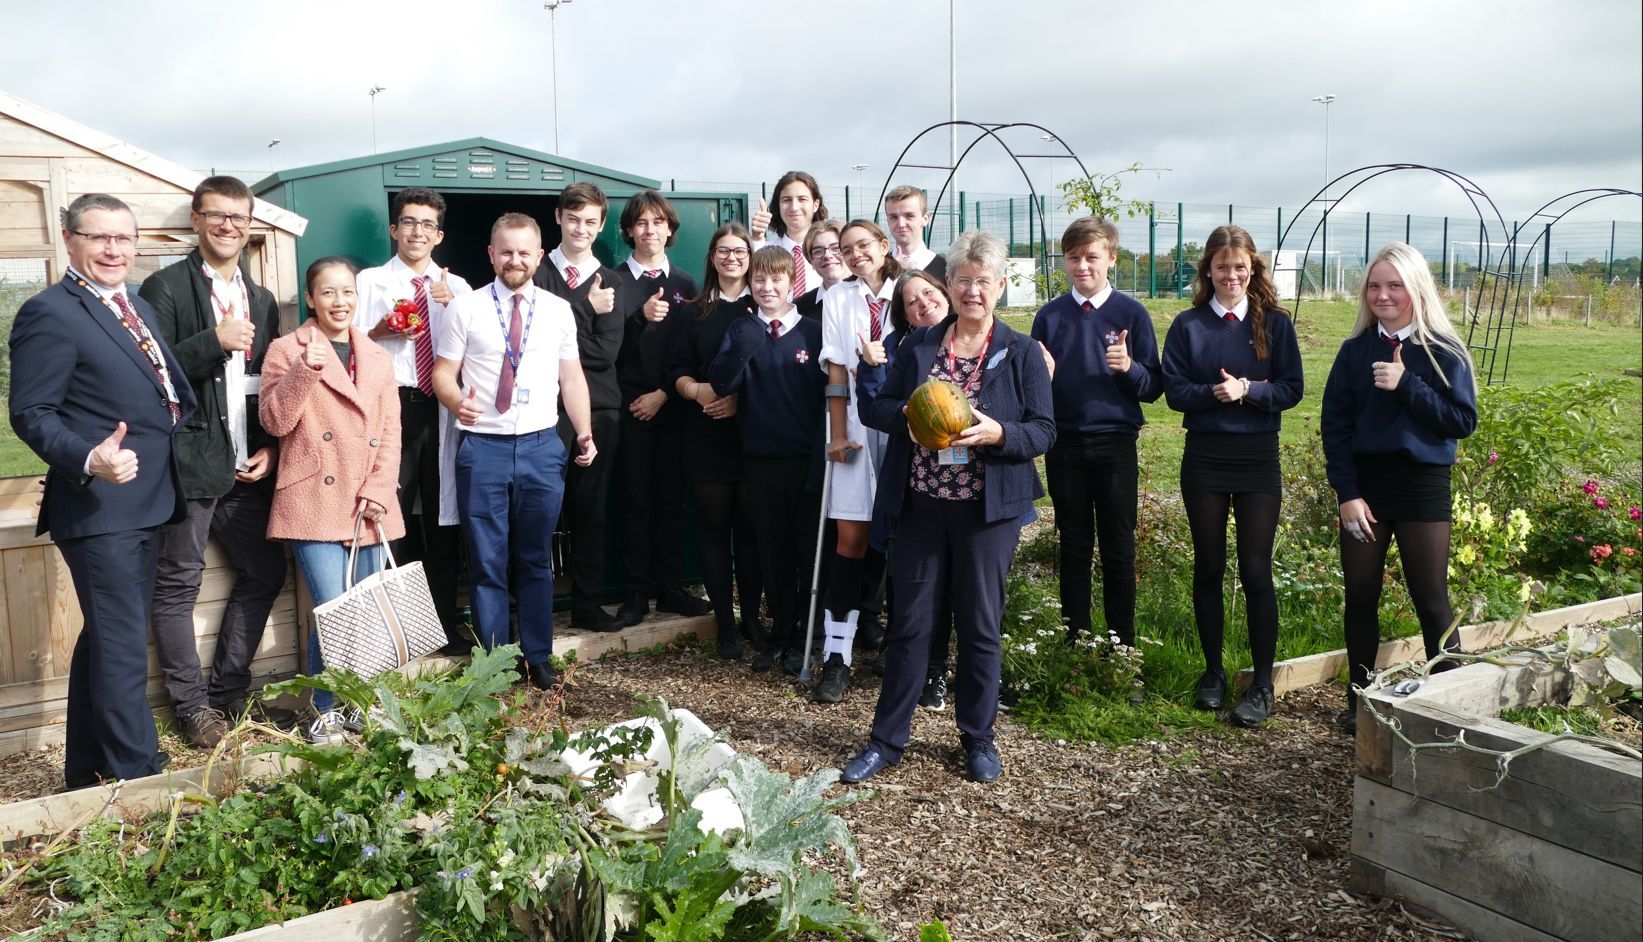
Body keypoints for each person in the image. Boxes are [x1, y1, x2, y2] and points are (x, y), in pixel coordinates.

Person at [841, 230, 1056, 785]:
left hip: (988, 515)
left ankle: (978, 739)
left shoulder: (1023, 351)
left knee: (981, 627)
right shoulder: (918, 346)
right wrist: (913, 421)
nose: (973, 290)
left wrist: (997, 432)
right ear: (950, 285)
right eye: (963, 280)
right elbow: (880, 407)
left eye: (984, 281)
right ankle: (885, 741)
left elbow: (1044, 430)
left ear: (1001, 287)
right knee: (909, 627)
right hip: (921, 508)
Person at [9, 193, 194, 788]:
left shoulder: (132, 304)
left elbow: (164, 391)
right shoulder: (51, 312)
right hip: (99, 506)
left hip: (148, 501)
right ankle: (140, 782)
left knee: (105, 639)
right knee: (119, 646)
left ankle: (87, 773)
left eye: (124, 238)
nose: (114, 249)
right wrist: (88, 457)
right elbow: (30, 412)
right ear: (71, 241)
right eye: (99, 237)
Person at [140, 176, 288, 747]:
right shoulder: (166, 288)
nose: (228, 225)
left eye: (238, 217)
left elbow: (268, 386)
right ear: (196, 221)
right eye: (216, 215)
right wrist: (214, 339)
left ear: (249, 227)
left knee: (266, 571)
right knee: (178, 584)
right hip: (189, 465)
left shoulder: (264, 299)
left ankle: (230, 690)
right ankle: (191, 707)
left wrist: (272, 447)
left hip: (246, 467)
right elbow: (151, 375)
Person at [434, 213, 596, 690]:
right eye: (506, 251)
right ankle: (494, 664)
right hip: (482, 447)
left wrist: (583, 432)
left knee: (533, 558)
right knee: (486, 562)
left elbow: (572, 377)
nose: (515, 260)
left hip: (542, 447)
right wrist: (453, 399)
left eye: (524, 252)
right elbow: (444, 371)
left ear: (539, 255)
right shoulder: (465, 308)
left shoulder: (557, 309)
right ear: (491, 254)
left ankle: (538, 656)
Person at [1322, 243, 1477, 734]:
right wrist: (1347, 493)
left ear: (1416, 289)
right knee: (1361, 594)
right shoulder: (1354, 352)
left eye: (1394, 286)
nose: (1383, 295)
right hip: (1366, 488)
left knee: (1430, 596)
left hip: (1421, 486)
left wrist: (1408, 384)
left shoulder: (1444, 350)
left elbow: (1461, 420)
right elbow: (1335, 427)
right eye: (1374, 286)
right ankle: (1360, 701)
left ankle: (1449, 704)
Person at [1161, 225, 1304, 729]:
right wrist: (1214, 395)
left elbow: (1293, 389)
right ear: (1207, 271)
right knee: (1208, 567)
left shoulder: (1276, 325)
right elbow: (1173, 391)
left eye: (1240, 266)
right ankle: (1213, 673)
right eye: (1221, 267)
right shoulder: (1188, 325)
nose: (1231, 275)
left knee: (1255, 569)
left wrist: (1249, 390)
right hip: (1205, 457)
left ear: (1252, 269)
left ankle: (1262, 682)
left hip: (1257, 459)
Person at [260, 257, 404, 743]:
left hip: (367, 502)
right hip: (313, 500)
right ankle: (328, 708)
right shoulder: (287, 349)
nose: (339, 302)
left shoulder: (378, 356)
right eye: (328, 293)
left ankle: (350, 705)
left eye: (347, 292)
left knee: (358, 610)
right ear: (310, 298)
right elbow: (275, 422)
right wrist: (303, 371)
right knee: (335, 608)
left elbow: (390, 430)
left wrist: (381, 489)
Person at [1030, 217, 1162, 700]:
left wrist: (1129, 369)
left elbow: (1154, 387)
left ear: (1111, 258)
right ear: (1063, 261)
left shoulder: (1131, 313)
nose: (1082, 265)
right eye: (1073, 257)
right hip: (1065, 444)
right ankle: (1075, 646)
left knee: (1119, 549)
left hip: (1115, 446)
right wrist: (1040, 376)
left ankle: (1123, 653)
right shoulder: (1050, 316)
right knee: (1074, 547)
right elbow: (1034, 387)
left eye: (1092, 256)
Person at [354, 186, 473, 654]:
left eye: (426, 224)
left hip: (442, 409)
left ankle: (444, 626)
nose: (416, 231)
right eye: (408, 222)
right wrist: (382, 330)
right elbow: (347, 343)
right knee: (389, 515)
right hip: (392, 407)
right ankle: (394, 634)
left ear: (438, 234)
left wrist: (449, 306)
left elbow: (471, 352)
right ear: (393, 229)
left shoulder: (458, 288)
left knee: (443, 522)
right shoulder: (368, 282)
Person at [709, 245, 826, 674]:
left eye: (776, 279)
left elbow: (826, 398)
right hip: (760, 460)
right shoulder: (743, 329)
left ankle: (806, 638)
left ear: (792, 283)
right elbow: (721, 381)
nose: (767, 287)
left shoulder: (813, 332)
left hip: (806, 460)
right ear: (751, 284)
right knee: (771, 549)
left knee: (806, 549)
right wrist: (745, 343)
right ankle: (780, 632)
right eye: (759, 279)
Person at [811, 220, 903, 702]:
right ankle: (837, 656)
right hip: (856, 429)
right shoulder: (838, 299)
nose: (854, 254)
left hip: (907, 423)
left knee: (904, 536)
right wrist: (839, 431)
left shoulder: (909, 289)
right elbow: (835, 368)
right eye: (846, 249)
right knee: (851, 539)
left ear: (883, 247)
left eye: (863, 245)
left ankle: (899, 648)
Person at [858, 269, 957, 710]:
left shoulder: (993, 341)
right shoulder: (904, 349)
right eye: (911, 301)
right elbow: (874, 408)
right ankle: (929, 672)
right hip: (918, 485)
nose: (923, 303)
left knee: (970, 591)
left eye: (928, 293)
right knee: (919, 588)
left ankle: (976, 677)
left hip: (976, 488)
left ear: (946, 293)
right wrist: (909, 415)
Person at [611, 190, 710, 627]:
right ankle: (635, 591)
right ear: (629, 230)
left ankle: (670, 588)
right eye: (641, 222)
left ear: (670, 229)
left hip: (674, 406)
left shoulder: (688, 284)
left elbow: (694, 351)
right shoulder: (612, 281)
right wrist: (639, 320)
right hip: (629, 408)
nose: (650, 230)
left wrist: (666, 394)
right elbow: (604, 351)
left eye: (658, 222)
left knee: (673, 501)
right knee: (635, 500)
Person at [533, 182, 624, 631]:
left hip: (600, 408)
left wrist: (568, 321)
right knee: (541, 510)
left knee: (591, 509)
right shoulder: (533, 270)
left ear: (602, 224)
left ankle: (587, 603)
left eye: (590, 221)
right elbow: (530, 341)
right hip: (543, 410)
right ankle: (534, 607)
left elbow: (603, 355)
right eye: (573, 219)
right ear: (558, 218)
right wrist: (585, 307)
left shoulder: (614, 281)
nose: (581, 228)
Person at [668, 223, 761, 659]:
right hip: (704, 431)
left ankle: (754, 621)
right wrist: (699, 391)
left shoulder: (762, 307)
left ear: (751, 255)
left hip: (752, 435)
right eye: (722, 250)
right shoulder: (692, 310)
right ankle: (725, 626)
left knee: (750, 532)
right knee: (713, 529)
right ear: (711, 257)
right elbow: (677, 369)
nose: (731, 258)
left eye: (739, 250)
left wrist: (740, 403)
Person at [750, 170, 827, 301]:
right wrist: (756, 239)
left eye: (802, 199)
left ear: (815, 205)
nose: (794, 207)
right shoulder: (764, 250)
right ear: (778, 206)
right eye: (786, 200)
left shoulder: (832, 253)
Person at [883, 185, 946, 281]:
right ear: (888, 221)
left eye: (909, 216)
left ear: (925, 219)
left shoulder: (947, 269)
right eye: (894, 217)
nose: (901, 224)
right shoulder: (877, 268)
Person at [795, 219, 849, 319]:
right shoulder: (800, 307)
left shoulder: (870, 297)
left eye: (836, 248)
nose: (827, 256)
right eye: (818, 251)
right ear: (811, 260)